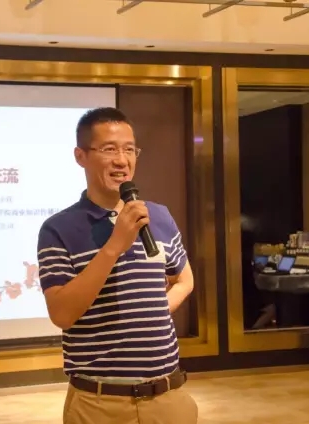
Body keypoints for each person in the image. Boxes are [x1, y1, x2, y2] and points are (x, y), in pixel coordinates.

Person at [36, 107, 198, 424]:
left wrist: (154, 311)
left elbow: (184, 280)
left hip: (168, 397)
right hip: (99, 403)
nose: (122, 160)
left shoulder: (158, 215)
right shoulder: (58, 228)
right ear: (81, 156)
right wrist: (114, 246)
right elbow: (62, 314)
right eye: (109, 149)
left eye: (129, 149)